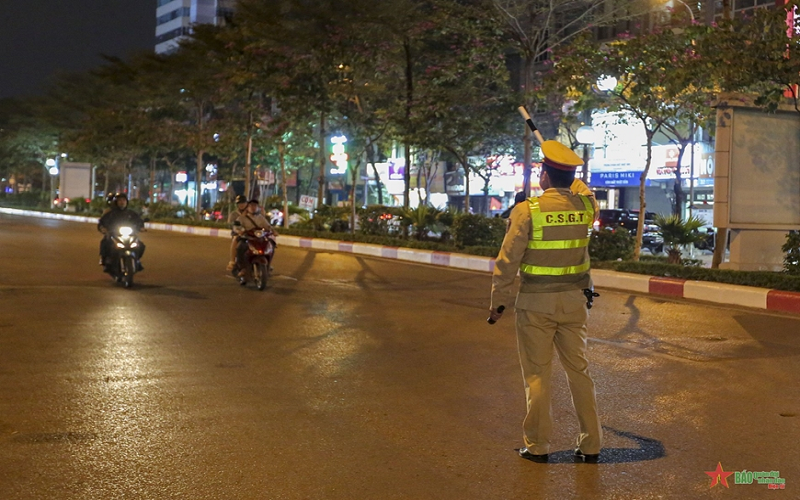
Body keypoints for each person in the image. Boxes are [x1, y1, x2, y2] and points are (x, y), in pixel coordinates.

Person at [488, 140, 602, 464]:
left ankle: (537, 446)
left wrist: (499, 303)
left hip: (536, 305)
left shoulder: (527, 212)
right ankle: (591, 443)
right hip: (575, 302)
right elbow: (588, 194)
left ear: (543, 176)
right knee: (579, 371)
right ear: (571, 177)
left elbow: (507, 262)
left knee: (537, 375)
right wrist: (573, 178)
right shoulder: (584, 209)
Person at [98, 193, 146, 272]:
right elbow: (102, 222)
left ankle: (137, 260)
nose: (122, 202)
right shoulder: (110, 213)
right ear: (116, 202)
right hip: (114, 235)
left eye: (124, 200)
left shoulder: (131, 213)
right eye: (120, 200)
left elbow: (139, 221)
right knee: (105, 243)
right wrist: (103, 228)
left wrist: (141, 227)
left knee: (140, 245)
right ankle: (105, 260)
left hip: (129, 235)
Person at [233, 199, 274, 276]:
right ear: (247, 207)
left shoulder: (261, 218)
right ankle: (242, 268)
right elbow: (236, 227)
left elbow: (268, 226)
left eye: (255, 205)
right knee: (240, 247)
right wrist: (240, 231)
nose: (253, 207)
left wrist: (272, 230)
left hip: (259, 239)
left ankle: (268, 265)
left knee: (271, 245)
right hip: (246, 238)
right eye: (251, 205)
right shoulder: (242, 218)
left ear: (258, 207)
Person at [226, 195, 249, 271]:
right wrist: (238, 231)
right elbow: (232, 225)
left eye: (243, 202)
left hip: (250, 233)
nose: (241, 205)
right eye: (239, 203)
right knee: (235, 239)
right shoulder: (234, 214)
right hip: (238, 233)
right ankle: (232, 261)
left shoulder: (251, 213)